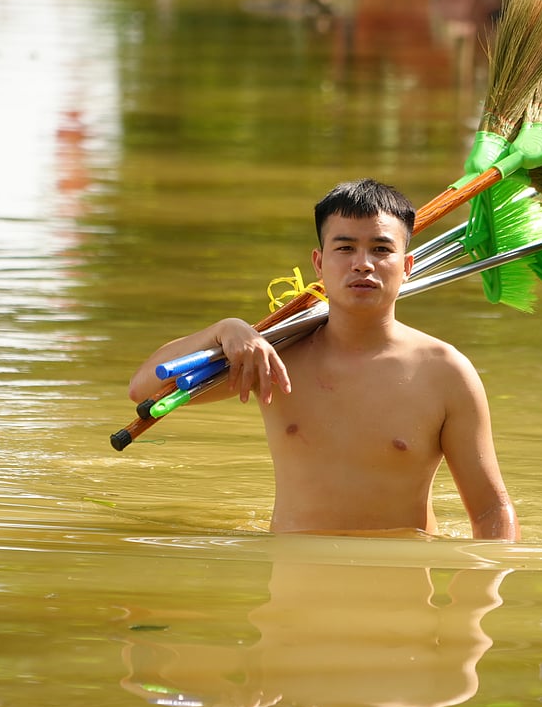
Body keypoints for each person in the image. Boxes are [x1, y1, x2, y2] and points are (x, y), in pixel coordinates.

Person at [128, 179, 519, 541]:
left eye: (381, 249)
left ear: (407, 266)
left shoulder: (445, 372)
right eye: (345, 247)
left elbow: (490, 509)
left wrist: (476, 607)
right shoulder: (275, 357)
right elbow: (143, 390)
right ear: (319, 263)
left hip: (400, 593)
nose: (362, 263)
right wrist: (222, 330)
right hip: (293, 592)